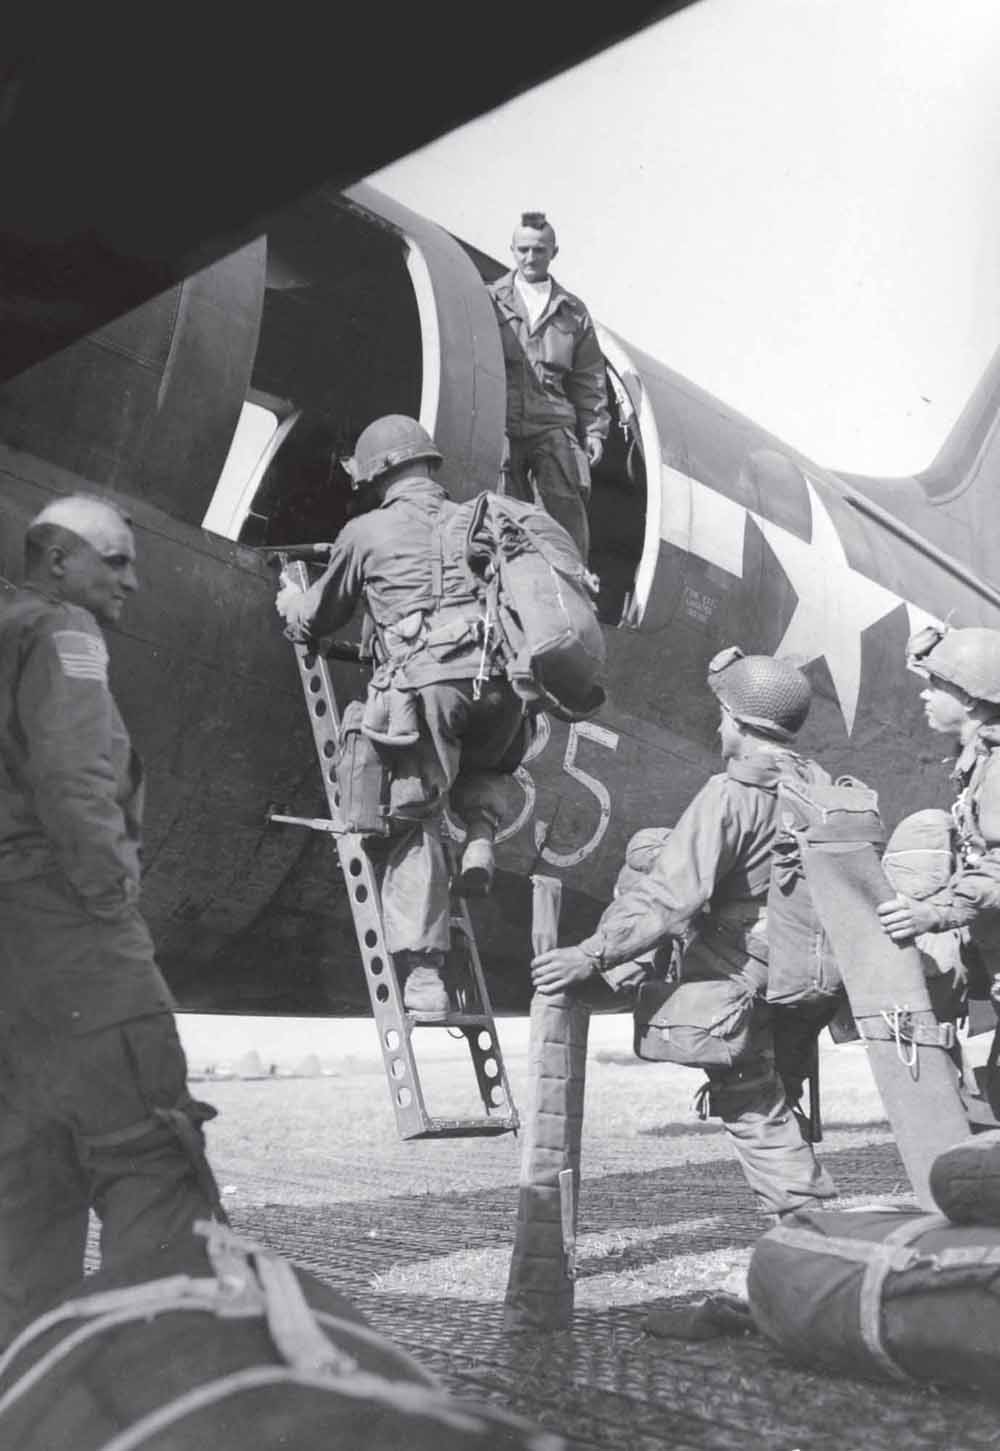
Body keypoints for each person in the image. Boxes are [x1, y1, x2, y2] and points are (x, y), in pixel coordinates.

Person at [0, 494, 224, 1347]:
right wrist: (110, 911)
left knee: (26, 1209)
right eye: (116, 560)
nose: (134, 579)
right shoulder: (63, 632)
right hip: (75, 944)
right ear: (58, 560)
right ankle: (170, 1397)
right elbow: (75, 783)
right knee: (155, 1173)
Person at [530, 647, 837, 1219]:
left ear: (742, 726)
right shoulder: (818, 788)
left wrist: (591, 955)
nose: (719, 726)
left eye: (723, 715)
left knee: (749, 1099)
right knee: (772, 1085)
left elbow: (670, 897)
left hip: (744, 975)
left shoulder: (731, 794)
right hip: (807, 975)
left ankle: (810, 1233)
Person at [275, 414, 529, 1017]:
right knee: (481, 760)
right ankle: (482, 839)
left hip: (429, 685)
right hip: (502, 691)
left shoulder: (366, 531)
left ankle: (423, 975)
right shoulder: (480, 519)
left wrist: (291, 601)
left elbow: (316, 618)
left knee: (412, 819)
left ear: (379, 473)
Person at [877, 624, 1000, 1018]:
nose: (924, 693)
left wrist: (933, 912)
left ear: (970, 701)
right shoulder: (980, 757)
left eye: (937, 685)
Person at [487, 211, 610, 561]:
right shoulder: (490, 299)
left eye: (539, 250)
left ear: (553, 252)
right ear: (512, 250)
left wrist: (596, 431)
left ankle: (572, 580)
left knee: (564, 507)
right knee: (500, 507)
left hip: (552, 421)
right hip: (503, 420)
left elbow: (588, 375)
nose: (530, 258)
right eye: (523, 249)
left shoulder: (573, 311)